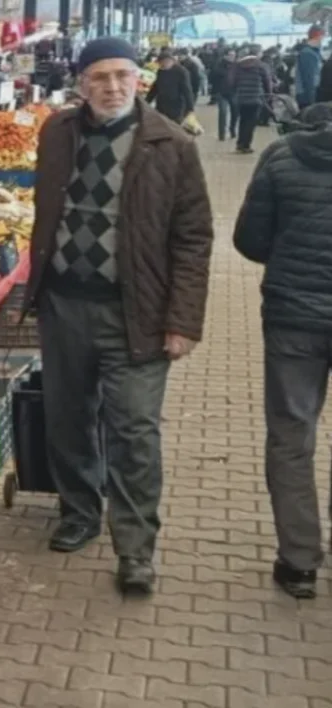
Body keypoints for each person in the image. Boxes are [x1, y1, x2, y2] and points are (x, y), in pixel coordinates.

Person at [23, 38, 214, 595]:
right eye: (100, 77)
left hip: (137, 314)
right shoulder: (57, 132)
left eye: (122, 76)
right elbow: (47, 208)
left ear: (140, 80)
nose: (112, 87)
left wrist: (182, 321)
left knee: (132, 430)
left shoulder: (170, 144)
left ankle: (135, 547)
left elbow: (194, 238)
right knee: (68, 416)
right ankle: (79, 510)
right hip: (63, 304)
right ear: (81, 83)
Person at [232, 102, 332, 600]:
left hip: (294, 316)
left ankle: (299, 563)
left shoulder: (282, 154)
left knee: (292, 435)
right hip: (297, 309)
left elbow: (249, 240)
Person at [230, 46, 273, 153]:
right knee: (251, 122)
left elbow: (232, 81)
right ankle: (246, 145)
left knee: (243, 121)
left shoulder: (238, 65)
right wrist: (269, 95)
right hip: (256, 98)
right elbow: (267, 82)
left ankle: (240, 143)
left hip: (241, 98)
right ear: (257, 53)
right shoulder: (261, 66)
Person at [145, 50, 195, 123]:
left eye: (166, 62)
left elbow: (187, 90)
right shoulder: (160, 71)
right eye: (161, 63)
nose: (163, 65)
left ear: (172, 61)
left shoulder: (182, 72)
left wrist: (190, 108)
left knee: (175, 128)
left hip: (177, 106)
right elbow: (155, 88)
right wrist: (147, 101)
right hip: (161, 105)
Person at [210, 48, 239, 141]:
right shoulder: (218, 65)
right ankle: (221, 134)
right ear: (225, 55)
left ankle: (232, 129)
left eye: (234, 55)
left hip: (234, 92)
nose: (232, 57)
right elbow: (211, 77)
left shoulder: (237, 65)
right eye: (230, 55)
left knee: (235, 112)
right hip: (221, 93)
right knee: (223, 112)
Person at [296, 26, 323, 109]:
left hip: (308, 94)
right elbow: (309, 78)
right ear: (318, 36)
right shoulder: (308, 53)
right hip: (308, 97)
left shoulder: (312, 52)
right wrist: (312, 100)